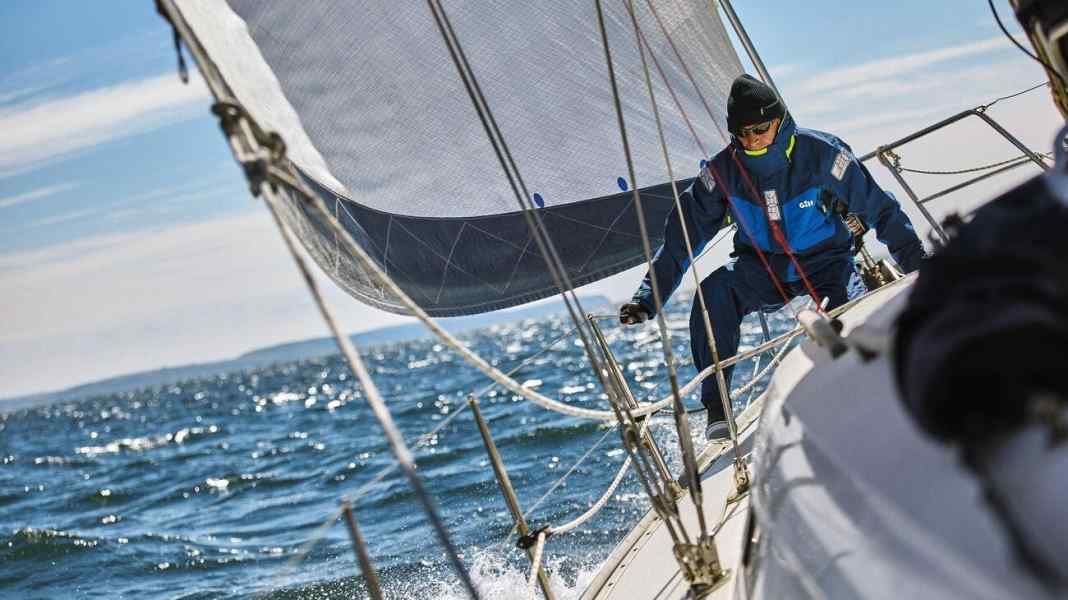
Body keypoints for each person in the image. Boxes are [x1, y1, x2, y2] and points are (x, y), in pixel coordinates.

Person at [619, 74, 924, 440]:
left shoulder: (823, 154)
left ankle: (867, 390)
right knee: (713, 293)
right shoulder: (722, 173)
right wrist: (646, 298)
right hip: (761, 268)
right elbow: (681, 238)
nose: (752, 139)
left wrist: (920, 270)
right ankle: (717, 409)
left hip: (827, 261)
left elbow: (881, 211)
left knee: (848, 310)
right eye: (742, 133)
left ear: (779, 120)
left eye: (760, 129)